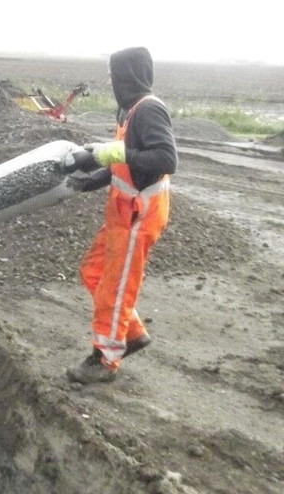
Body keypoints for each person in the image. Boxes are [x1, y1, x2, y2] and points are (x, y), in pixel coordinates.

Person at [60, 46, 178, 384]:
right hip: (122, 214)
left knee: (115, 287)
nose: (111, 82)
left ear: (126, 77)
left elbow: (165, 159)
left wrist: (101, 154)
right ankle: (132, 334)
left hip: (138, 217)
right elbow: (128, 162)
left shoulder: (149, 111)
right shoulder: (130, 112)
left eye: (113, 76)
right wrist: (91, 180)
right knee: (94, 272)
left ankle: (105, 359)